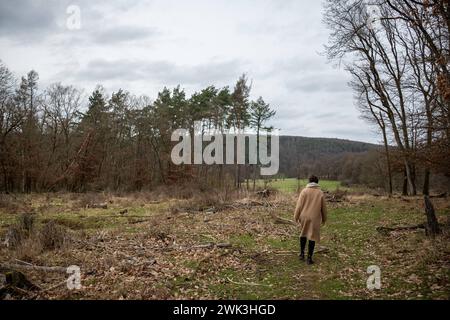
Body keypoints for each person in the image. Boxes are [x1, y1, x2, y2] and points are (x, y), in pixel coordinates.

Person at [293, 175, 327, 265]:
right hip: (315, 217)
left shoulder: (304, 191)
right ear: (317, 182)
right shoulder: (320, 193)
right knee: (312, 236)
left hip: (304, 216)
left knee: (303, 233)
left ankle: (301, 254)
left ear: (309, 181)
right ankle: (309, 258)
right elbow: (323, 208)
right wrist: (324, 218)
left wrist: (296, 217)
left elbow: (299, 205)